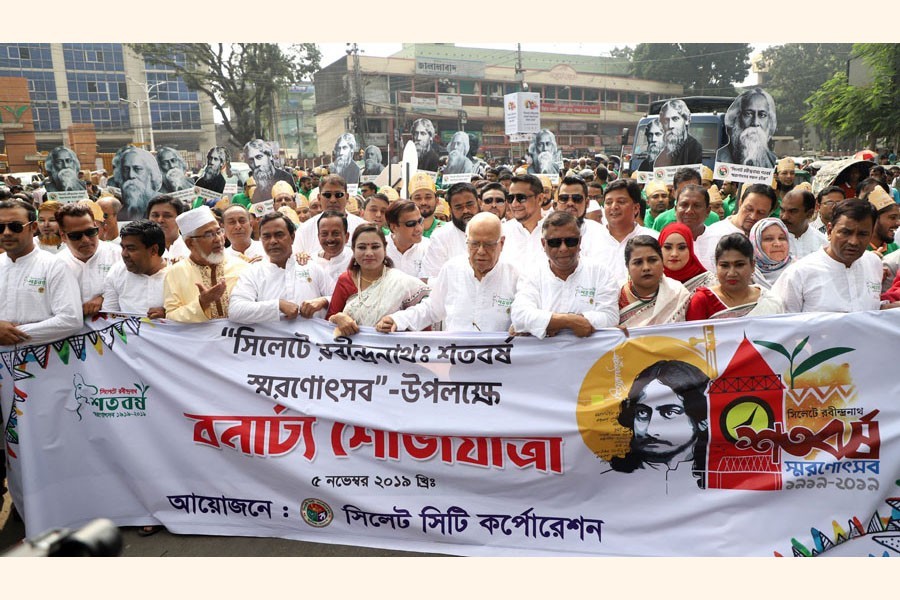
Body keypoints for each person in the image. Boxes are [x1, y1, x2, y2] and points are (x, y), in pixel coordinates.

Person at [376, 212, 518, 334]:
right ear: (466, 242)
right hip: (458, 360)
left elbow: (523, 316)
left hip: (499, 362)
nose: (481, 251)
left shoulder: (514, 276)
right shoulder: (452, 269)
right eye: (474, 244)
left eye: (488, 244)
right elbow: (432, 308)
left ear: (502, 243)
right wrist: (398, 320)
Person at [507, 211, 618, 337]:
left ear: (580, 242)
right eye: (555, 242)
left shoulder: (600, 273)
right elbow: (519, 315)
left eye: (570, 241)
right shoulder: (532, 274)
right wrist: (569, 321)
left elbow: (610, 317)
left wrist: (549, 323)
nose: (563, 248)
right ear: (543, 244)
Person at [608, 360, 710, 491]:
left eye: (669, 412)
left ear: (701, 418)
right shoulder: (607, 483)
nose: (650, 430)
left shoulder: (721, 484)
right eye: (642, 413)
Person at [773, 199, 887, 314]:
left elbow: (872, 309)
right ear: (829, 230)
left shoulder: (873, 263)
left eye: (862, 234)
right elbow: (783, 323)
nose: (854, 241)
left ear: (871, 234)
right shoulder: (799, 273)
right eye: (846, 232)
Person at [0, 198, 83, 346]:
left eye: (15, 227)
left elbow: (71, 319)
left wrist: (11, 334)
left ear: (33, 228)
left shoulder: (54, 266)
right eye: (0, 227)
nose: (6, 233)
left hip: (43, 361)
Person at [326, 224, 429, 336]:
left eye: (375, 247)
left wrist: (396, 323)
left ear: (385, 249)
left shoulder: (401, 282)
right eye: (362, 247)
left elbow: (424, 322)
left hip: (394, 350)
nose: (369, 253)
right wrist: (337, 318)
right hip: (352, 351)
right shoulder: (345, 280)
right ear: (353, 250)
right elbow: (326, 326)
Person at [229, 212, 331, 324]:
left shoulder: (312, 266)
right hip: (271, 340)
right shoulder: (253, 272)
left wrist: (323, 301)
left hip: (313, 339)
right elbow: (235, 310)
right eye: (266, 236)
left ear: (292, 237)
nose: (273, 241)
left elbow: (338, 298)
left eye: (279, 235)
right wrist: (277, 306)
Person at [163, 206, 249, 322]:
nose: (218, 239)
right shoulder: (175, 273)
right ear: (190, 243)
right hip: (197, 339)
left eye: (219, 232)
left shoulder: (242, 267)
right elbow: (171, 316)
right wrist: (202, 303)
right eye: (209, 235)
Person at [686, 233, 783, 320]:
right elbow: (692, 337)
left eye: (739, 265)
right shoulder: (703, 301)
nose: (731, 273)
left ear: (752, 266)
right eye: (724, 265)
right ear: (716, 266)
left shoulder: (769, 301)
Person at [56, 202, 122, 318]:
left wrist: (104, 298)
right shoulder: (55, 264)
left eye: (90, 232)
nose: (86, 240)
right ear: (63, 236)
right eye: (76, 236)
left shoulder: (119, 255)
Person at [698, 183, 777, 270]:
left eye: (761, 213)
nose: (753, 216)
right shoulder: (714, 234)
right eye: (749, 209)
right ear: (740, 203)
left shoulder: (772, 239)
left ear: (769, 213)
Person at [595, 179, 659, 285]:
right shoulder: (590, 239)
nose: (614, 207)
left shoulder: (653, 238)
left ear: (636, 208)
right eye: (609, 202)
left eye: (621, 202)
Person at [617, 235, 690, 326]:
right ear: (627, 267)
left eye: (652, 260)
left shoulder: (677, 293)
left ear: (662, 261)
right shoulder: (615, 295)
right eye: (638, 262)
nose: (646, 268)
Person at [101, 220, 168, 318]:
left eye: (131, 248)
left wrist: (170, 314)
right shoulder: (117, 272)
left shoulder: (177, 274)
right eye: (123, 248)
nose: (124, 254)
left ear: (154, 250)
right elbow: (109, 317)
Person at [294, 174, 365, 255]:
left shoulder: (362, 227)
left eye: (338, 195)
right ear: (319, 198)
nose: (333, 200)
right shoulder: (305, 230)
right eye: (327, 195)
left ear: (347, 197)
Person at [420, 181, 479, 280]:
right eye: (459, 207)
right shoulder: (440, 237)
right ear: (451, 210)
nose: (465, 211)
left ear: (479, 203)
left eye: (469, 204)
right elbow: (428, 278)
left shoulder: (495, 230)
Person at [715, 88, 778, 169]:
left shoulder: (772, 160)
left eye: (762, 115)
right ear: (737, 117)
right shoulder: (721, 157)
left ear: (769, 121)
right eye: (748, 114)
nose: (755, 123)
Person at [659, 223, 716, 293]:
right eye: (667, 247)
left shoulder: (708, 284)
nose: (674, 254)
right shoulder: (650, 281)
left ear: (690, 250)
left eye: (681, 248)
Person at [502, 174, 545, 261]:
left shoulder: (556, 231)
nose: (514, 204)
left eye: (521, 198)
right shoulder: (502, 232)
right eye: (510, 198)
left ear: (540, 199)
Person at [113, 146, 163, 221]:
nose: (131, 175)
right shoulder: (120, 211)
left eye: (137, 169)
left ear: (151, 173)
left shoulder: (164, 203)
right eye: (126, 169)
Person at [385, 200, 430, 280]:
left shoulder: (429, 248)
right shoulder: (380, 248)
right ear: (394, 227)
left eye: (420, 221)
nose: (419, 228)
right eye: (411, 224)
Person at [313, 210, 354, 292]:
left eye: (335, 233)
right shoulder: (311, 261)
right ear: (318, 236)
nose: (330, 239)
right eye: (324, 234)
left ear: (346, 236)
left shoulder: (355, 260)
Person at [244, 139, 295, 204]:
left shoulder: (286, 177)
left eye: (259, 157)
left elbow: (295, 200)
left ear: (269, 156)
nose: (256, 164)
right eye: (251, 160)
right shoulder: (251, 183)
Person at [780, 188, 826, 259]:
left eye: (792, 211)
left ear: (809, 213)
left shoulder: (823, 243)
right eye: (782, 210)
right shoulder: (770, 241)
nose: (784, 217)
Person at [654, 99, 702, 167]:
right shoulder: (661, 156)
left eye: (675, 119)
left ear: (686, 120)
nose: (671, 125)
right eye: (666, 120)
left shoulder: (696, 150)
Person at [749, 217, 793, 289]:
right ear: (756, 243)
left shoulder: (799, 269)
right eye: (769, 239)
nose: (778, 244)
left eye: (782, 238)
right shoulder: (747, 273)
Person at [147, 195, 190, 262]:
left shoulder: (192, 250)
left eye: (167, 216)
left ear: (180, 219)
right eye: (155, 215)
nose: (160, 220)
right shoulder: (139, 250)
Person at [861, 186, 899, 257]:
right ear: (873, 218)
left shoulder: (895, 248)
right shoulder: (858, 249)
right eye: (892, 217)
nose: (898, 223)